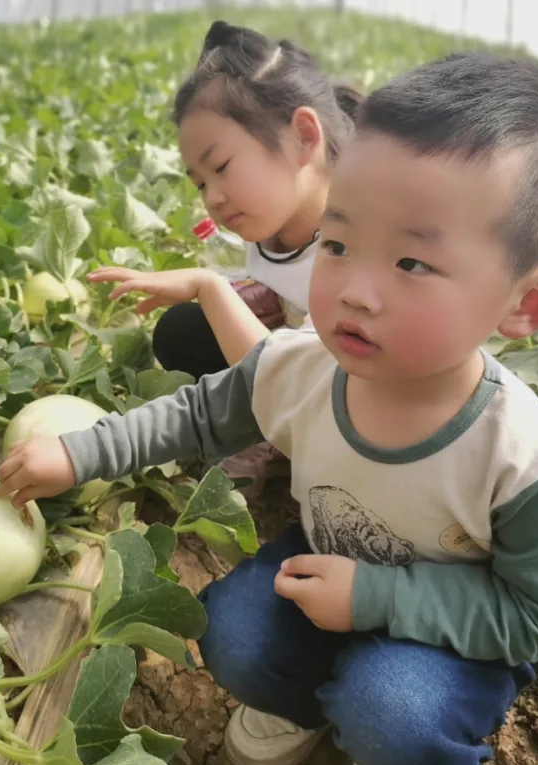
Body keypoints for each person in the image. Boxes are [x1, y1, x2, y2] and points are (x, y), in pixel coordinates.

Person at [0, 50, 538, 765]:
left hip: (453, 635)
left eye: (412, 261)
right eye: (339, 245)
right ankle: (299, 705)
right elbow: (195, 413)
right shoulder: (303, 368)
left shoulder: (525, 461)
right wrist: (79, 453)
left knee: (395, 717)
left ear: (526, 306)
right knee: (230, 636)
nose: (354, 292)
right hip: (330, 563)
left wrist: (377, 598)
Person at [88, 20, 362, 501]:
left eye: (221, 168)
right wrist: (233, 290)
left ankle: (280, 443)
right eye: (199, 183)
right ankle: (269, 439)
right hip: (305, 366)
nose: (211, 198)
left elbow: (301, 378)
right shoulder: (276, 218)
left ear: (302, 135)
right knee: (183, 330)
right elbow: (282, 289)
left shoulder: (366, 241)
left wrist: (209, 286)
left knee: (219, 315)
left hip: (363, 402)